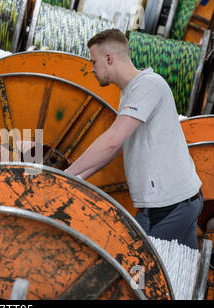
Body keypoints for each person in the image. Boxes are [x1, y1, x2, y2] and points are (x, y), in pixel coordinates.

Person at [64, 29, 203, 249]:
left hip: (168, 207)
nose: (92, 69)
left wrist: (64, 175)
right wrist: (74, 178)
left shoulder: (148, 85)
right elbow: (111, 150)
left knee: (132, 269)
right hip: (182, 201)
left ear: (109, 58)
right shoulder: (130, 93)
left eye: (94, 62)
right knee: (179, 277)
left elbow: (112, 140)